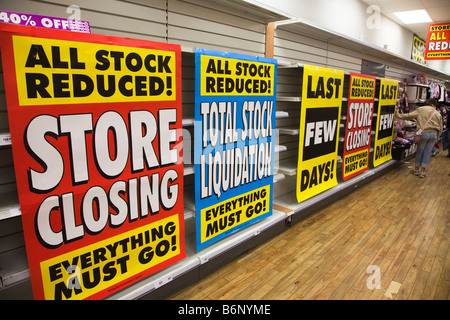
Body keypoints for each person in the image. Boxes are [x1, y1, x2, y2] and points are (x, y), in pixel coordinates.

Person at [395, 98, 443, 178]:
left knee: (420, 151)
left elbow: (409, 116)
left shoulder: (421, 109)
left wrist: (398, 115)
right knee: (427, 152)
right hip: (434, 134)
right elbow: (440, 127)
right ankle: (423, 172)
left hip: (423, 133)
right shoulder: (437, 113)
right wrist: (437, 137)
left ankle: (416, 170)